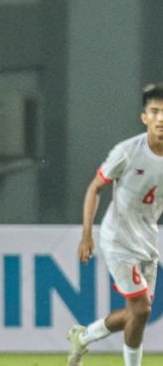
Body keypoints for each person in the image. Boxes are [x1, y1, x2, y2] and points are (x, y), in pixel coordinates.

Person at [66, 83, 163, 366]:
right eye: (155, 112)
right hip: (117, 238)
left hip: (147, 240)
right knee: (141, 309)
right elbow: (95, 188)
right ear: (144, 117)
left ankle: (84, 337)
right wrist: (87, 235)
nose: (161, 118)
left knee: (137, 314)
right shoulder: (127, 151)